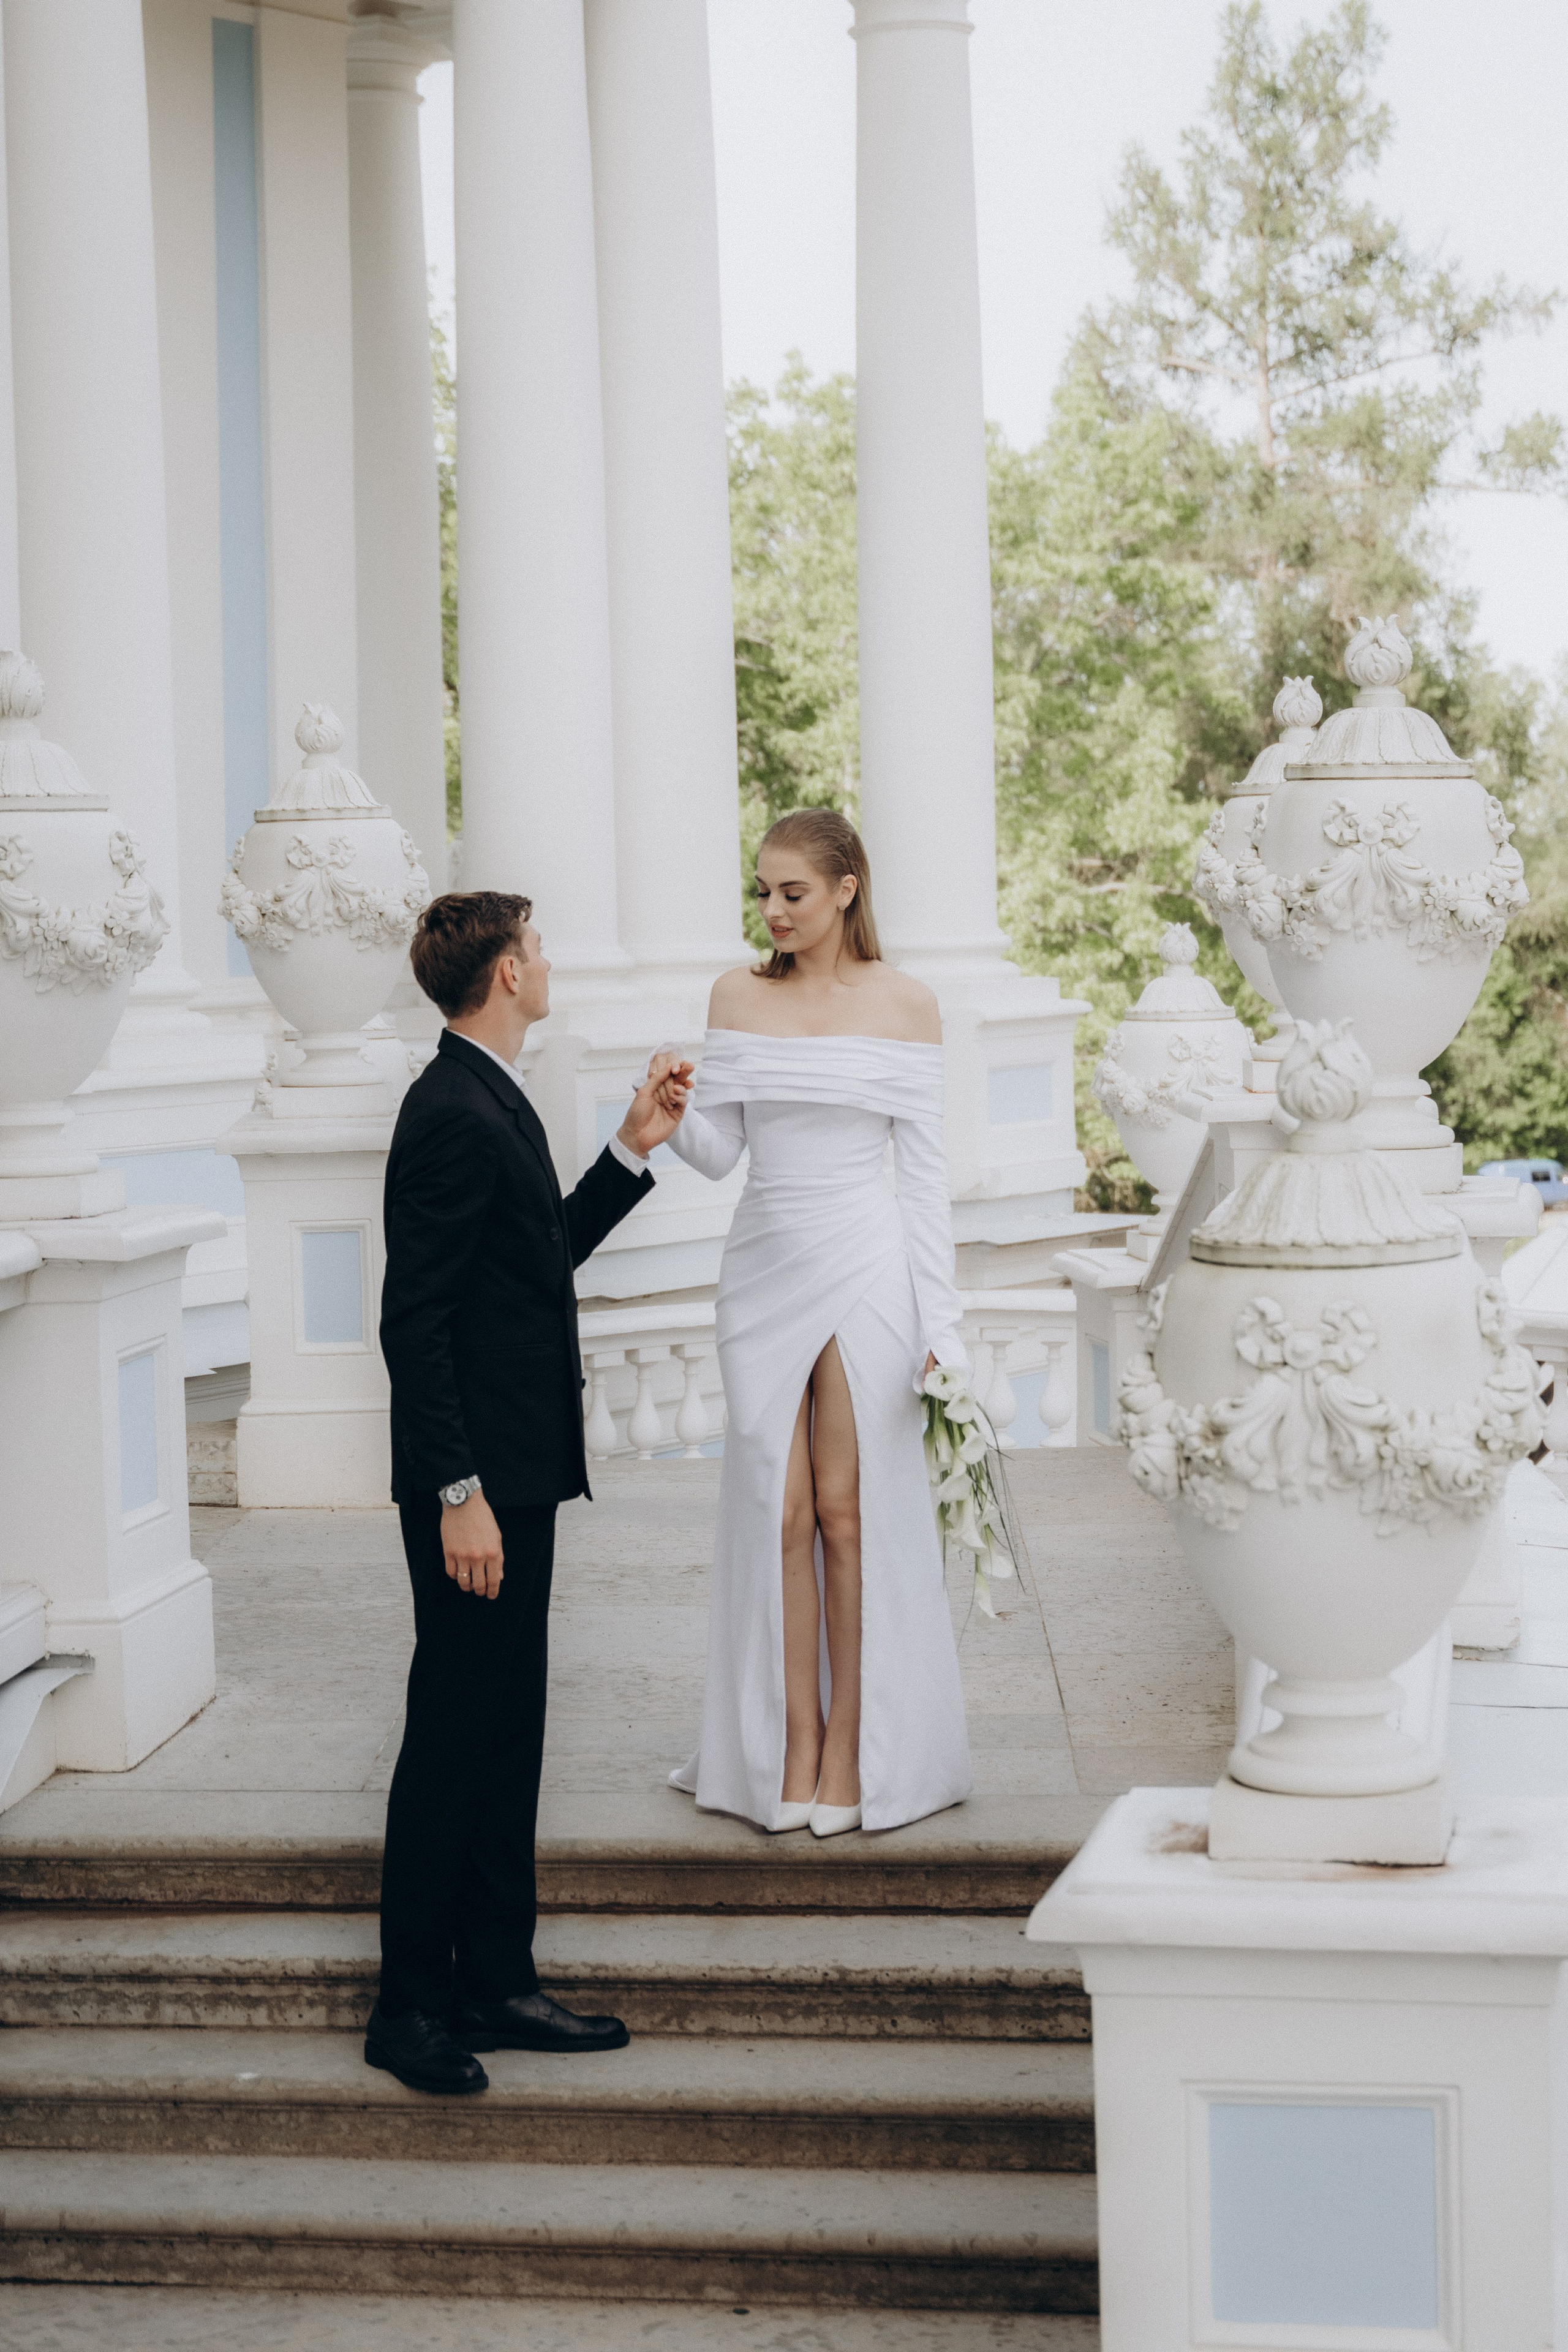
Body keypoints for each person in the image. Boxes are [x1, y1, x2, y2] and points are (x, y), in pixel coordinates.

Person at [367, 890, 690, 2096]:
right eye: (538, 948)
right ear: (503, 974)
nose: (547, 963)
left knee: (507, 1732)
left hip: (518, 1475)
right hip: (477, 1489)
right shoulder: (447, 1106)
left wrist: (629, 1145)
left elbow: (533, 1258)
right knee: (454, 1738)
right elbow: (416, 1319)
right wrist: (457, 1491)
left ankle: (496, 1980)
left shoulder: (487, 1089)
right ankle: (407, 2011)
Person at [665, 809, 973, 1838]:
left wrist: (947, 1329)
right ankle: (791, 1742)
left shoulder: (909, 1004)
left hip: (870, 1266)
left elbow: (924, 1185)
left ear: (846, 888)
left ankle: (852, 1748)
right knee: (779, 1512)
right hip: (762, 1267)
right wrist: (673, 1123)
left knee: (848, 1511)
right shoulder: (735, 996)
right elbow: (723, 1152)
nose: (773, 911)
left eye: (792, 892)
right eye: (763, 892)